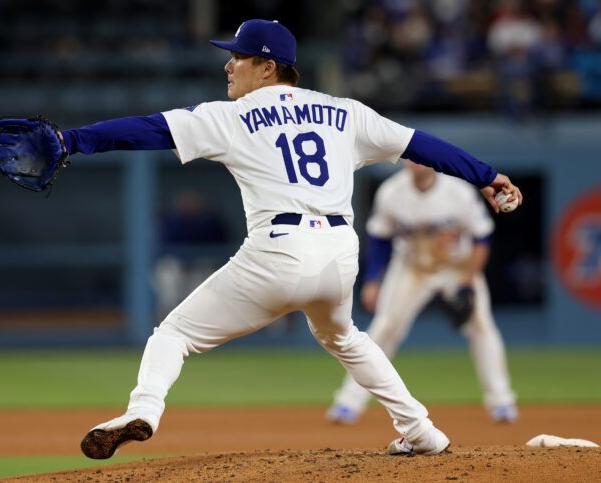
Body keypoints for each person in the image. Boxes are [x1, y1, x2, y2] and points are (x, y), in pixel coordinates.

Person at [48, 19, 522, 458]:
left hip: (277, 251)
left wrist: (71, 140)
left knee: (174, 333)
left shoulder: (231, 116)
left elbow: (147, 130)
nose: (228, 64)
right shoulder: (345, 112)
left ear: (268, 67)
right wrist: (485, 175)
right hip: (339, 255)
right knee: (345, 337)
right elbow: (422, 145)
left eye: (239, 56)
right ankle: (422, 432)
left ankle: (143, 411)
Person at [326, 160, 519, 426]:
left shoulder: (457, 191)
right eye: (411, 157)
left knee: (481, 326)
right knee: (385, 327)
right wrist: (373, 280)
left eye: (421, 157)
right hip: (411, 268)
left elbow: (481, 237)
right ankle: (348, 403)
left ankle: (502, 401)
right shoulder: (392, 192)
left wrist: (467, 283)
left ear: (432, 162)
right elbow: (380, 239)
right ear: (404, 161)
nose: (416, 162)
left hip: (456, 266)